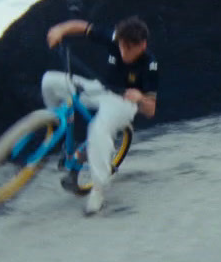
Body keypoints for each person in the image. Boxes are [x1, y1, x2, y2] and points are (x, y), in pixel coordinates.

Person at [42, 16, 158, 215]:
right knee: (49, 82)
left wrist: (140, 97)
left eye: (129, 49)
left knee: (97, 129)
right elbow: (83, 26)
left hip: (123, 102)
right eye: (121, 46)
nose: (123, 52)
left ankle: (98, 189)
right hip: (100, 88)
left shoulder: (150, 64)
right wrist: (60, 29)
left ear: (142, 45)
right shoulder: (115, 38)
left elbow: (151, 110)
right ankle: (54, 130)